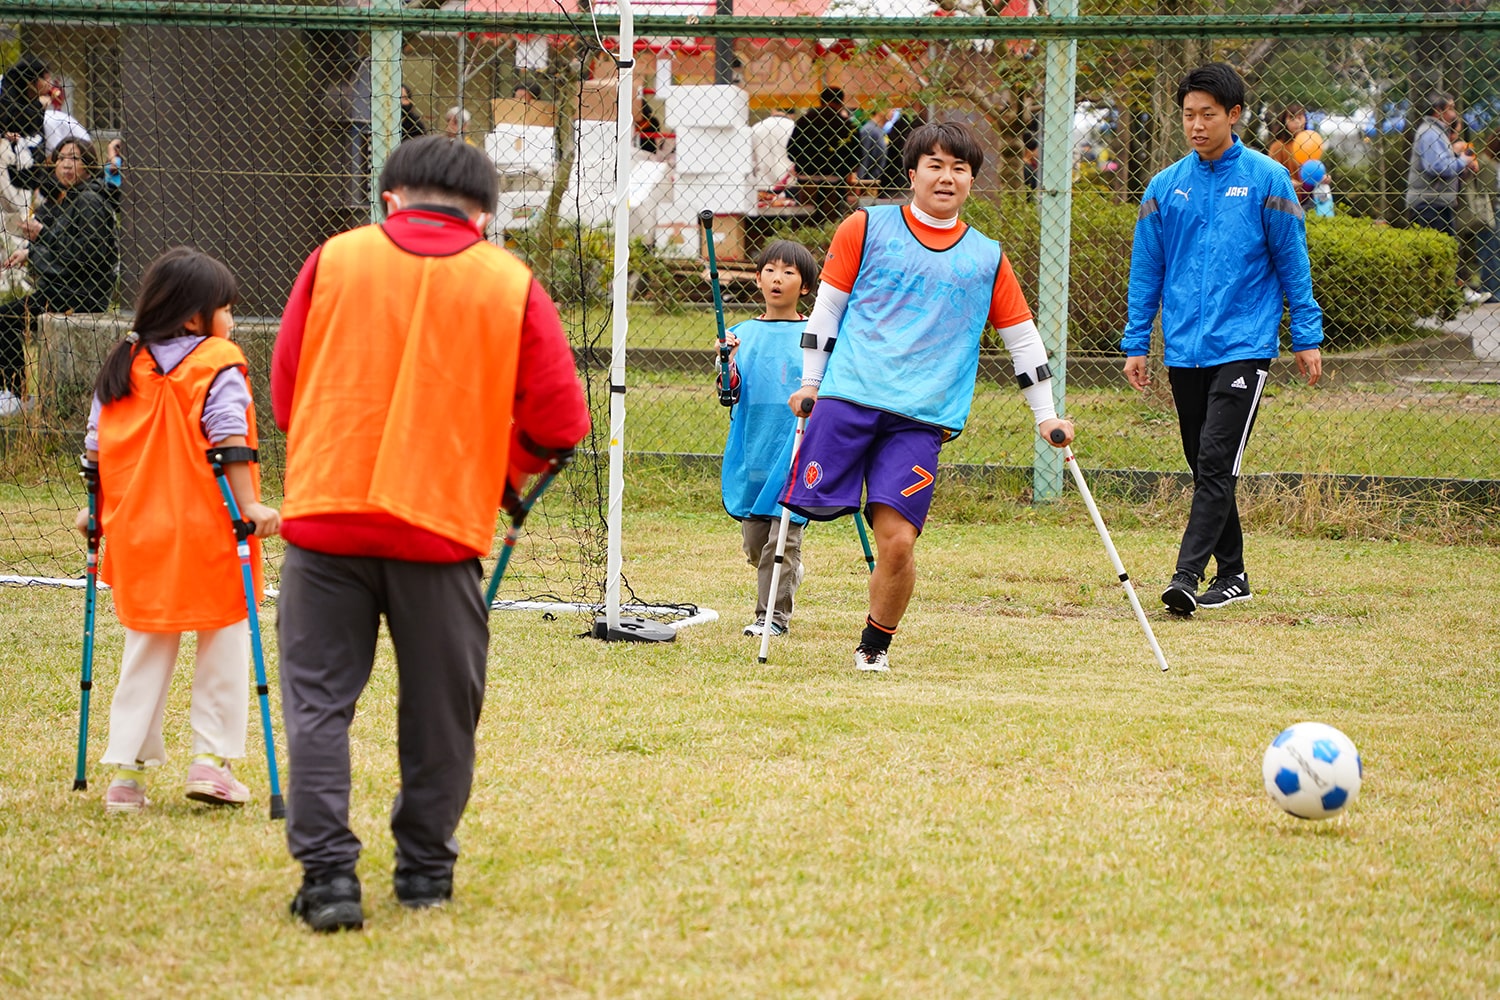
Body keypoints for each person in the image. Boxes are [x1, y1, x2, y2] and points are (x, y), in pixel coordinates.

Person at [271, 135, 590, 931]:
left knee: (317, 707)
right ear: (485, 214)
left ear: (391, 199)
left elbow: (286, 394)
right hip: (441, 530)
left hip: (325, 519)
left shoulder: (335, 259)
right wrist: (495, 473)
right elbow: (561, 422)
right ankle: (423, 872)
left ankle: (329, 881)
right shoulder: (508, 281)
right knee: (441, 712)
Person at [783, 121, 1074, 673]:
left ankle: (873, 647)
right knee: (801, 510)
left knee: (898, 542)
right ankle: (770, 610)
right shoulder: (865, 226)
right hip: (847, 398)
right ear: (912, 172)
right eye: (934, 165)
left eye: (959, 168)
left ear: (971, 182)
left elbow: (1023, 340)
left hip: (920, 417)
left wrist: (1047, 415)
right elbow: (827, 311)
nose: (946, 177)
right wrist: (811, 383)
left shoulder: (986, 257)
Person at [75, 247, 279, 814]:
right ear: (195, 316)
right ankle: (212, 764)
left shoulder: (124, 360)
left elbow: (96, 447)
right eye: (227, 309)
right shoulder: (220, 360)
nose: (232, 321)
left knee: (147, 645)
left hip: (138, 532)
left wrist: (94, 510)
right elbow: (230, 439)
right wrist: (251, 508)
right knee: (226, 636)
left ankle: (126, 777)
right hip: (209, 529)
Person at [1122, 63, 1323, 616]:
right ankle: (1233, 575)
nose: (1196, 125)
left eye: (1207, 115)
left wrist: (1306, 334)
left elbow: (1292, 262)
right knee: (1205, 460)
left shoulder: (1267, 179)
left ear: (1234, 116)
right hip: (1184, 348)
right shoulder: (1164, 187)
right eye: (1188, 115)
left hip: (1246, 345)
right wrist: (1137, 342)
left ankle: (1186, 575)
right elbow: (1147, 272)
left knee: (1214, 459)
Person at [716, 240, 820, 638]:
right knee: (756, 544)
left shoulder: (815, 334)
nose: (778, 279)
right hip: (752, 450)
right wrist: (727, 361)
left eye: (789, 272)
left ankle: (771, 617)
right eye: (771, 270)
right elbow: (729, 393)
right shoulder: (739, 335)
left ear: (805, 286)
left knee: (783, 540)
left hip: (795, 450)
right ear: (758, 278)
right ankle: (786, 571)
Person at [0, 136, 122, 414]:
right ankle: (15, 393)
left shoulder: (89, 200)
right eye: (62, 158)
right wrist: (30, 251)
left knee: (5, 321)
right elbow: (63, 240)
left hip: (79, 294)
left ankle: (17, 395)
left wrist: (44, 235)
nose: (67, 165)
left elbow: (89, 255)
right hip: (62, 289)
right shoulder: (71, 198)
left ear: (89, 164)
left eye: (76, 158)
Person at [1405, 92, 1484, 303]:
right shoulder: (1430, 133)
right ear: (1439, 110)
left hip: (1438, 200)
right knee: (1438, 251)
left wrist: (1461, 166)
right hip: (1429, 201)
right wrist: (1463, 160)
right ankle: (1440, 295)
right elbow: (1436, 167)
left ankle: (1447, 293)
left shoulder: (1436, 132)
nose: (1454, 112)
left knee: (1447, 248)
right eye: (1451, 107)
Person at [787, 87, 859, 219]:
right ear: (841, 102)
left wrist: (804, 164)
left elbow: (791, 150)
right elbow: (856, 157)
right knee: (834, 217)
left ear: (820, 101)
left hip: (807, 179)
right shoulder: (847, 125)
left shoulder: (804, 121)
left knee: (805, 218)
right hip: (836, 179)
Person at [856, 104, 892, 188]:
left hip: (876, 182)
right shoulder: (869, 130)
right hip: (868, 183)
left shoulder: (880, 130)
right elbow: (864, 158)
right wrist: (859, 183)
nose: (893, 112)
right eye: (890, 108)